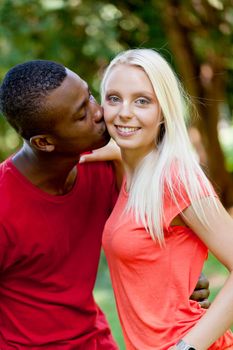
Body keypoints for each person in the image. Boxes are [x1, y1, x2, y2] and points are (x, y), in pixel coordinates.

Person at [0, 59, 209, 349]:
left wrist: (177, 272)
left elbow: (140, 236)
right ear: (45, 142)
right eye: (81, 114)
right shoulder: (4, 205)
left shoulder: (102, 167)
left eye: (90, 96)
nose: (100, 112)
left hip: (99, 342)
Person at [100, 48, 233, 350]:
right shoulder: (128, 166)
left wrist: (186, 348)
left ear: (163, 110)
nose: (124, 112)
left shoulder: (175, 179)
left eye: (142, 101)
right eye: (114, 98)